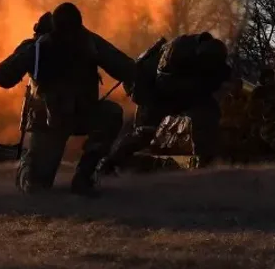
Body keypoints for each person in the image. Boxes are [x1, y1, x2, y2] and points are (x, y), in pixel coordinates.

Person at [0, 2, 135, 197]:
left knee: (111, 113)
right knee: (36, 188)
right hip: (48, 122)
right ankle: (29, 165)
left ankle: (84, 176)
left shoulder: (88, 42)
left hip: (80, 114)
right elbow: (3, 76)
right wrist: (32, 51)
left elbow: (125, 68)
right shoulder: (39, 47)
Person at [98, 32, 231, 173]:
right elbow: (163, 81)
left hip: (183, 92)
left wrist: (205, 87)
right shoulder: (178, 48)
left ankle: (206, 160)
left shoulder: (215, 62)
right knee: (145, 132)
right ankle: (110, 163)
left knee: (209, 113)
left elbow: (217, 81)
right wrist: (195, 88)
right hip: (153, 90)